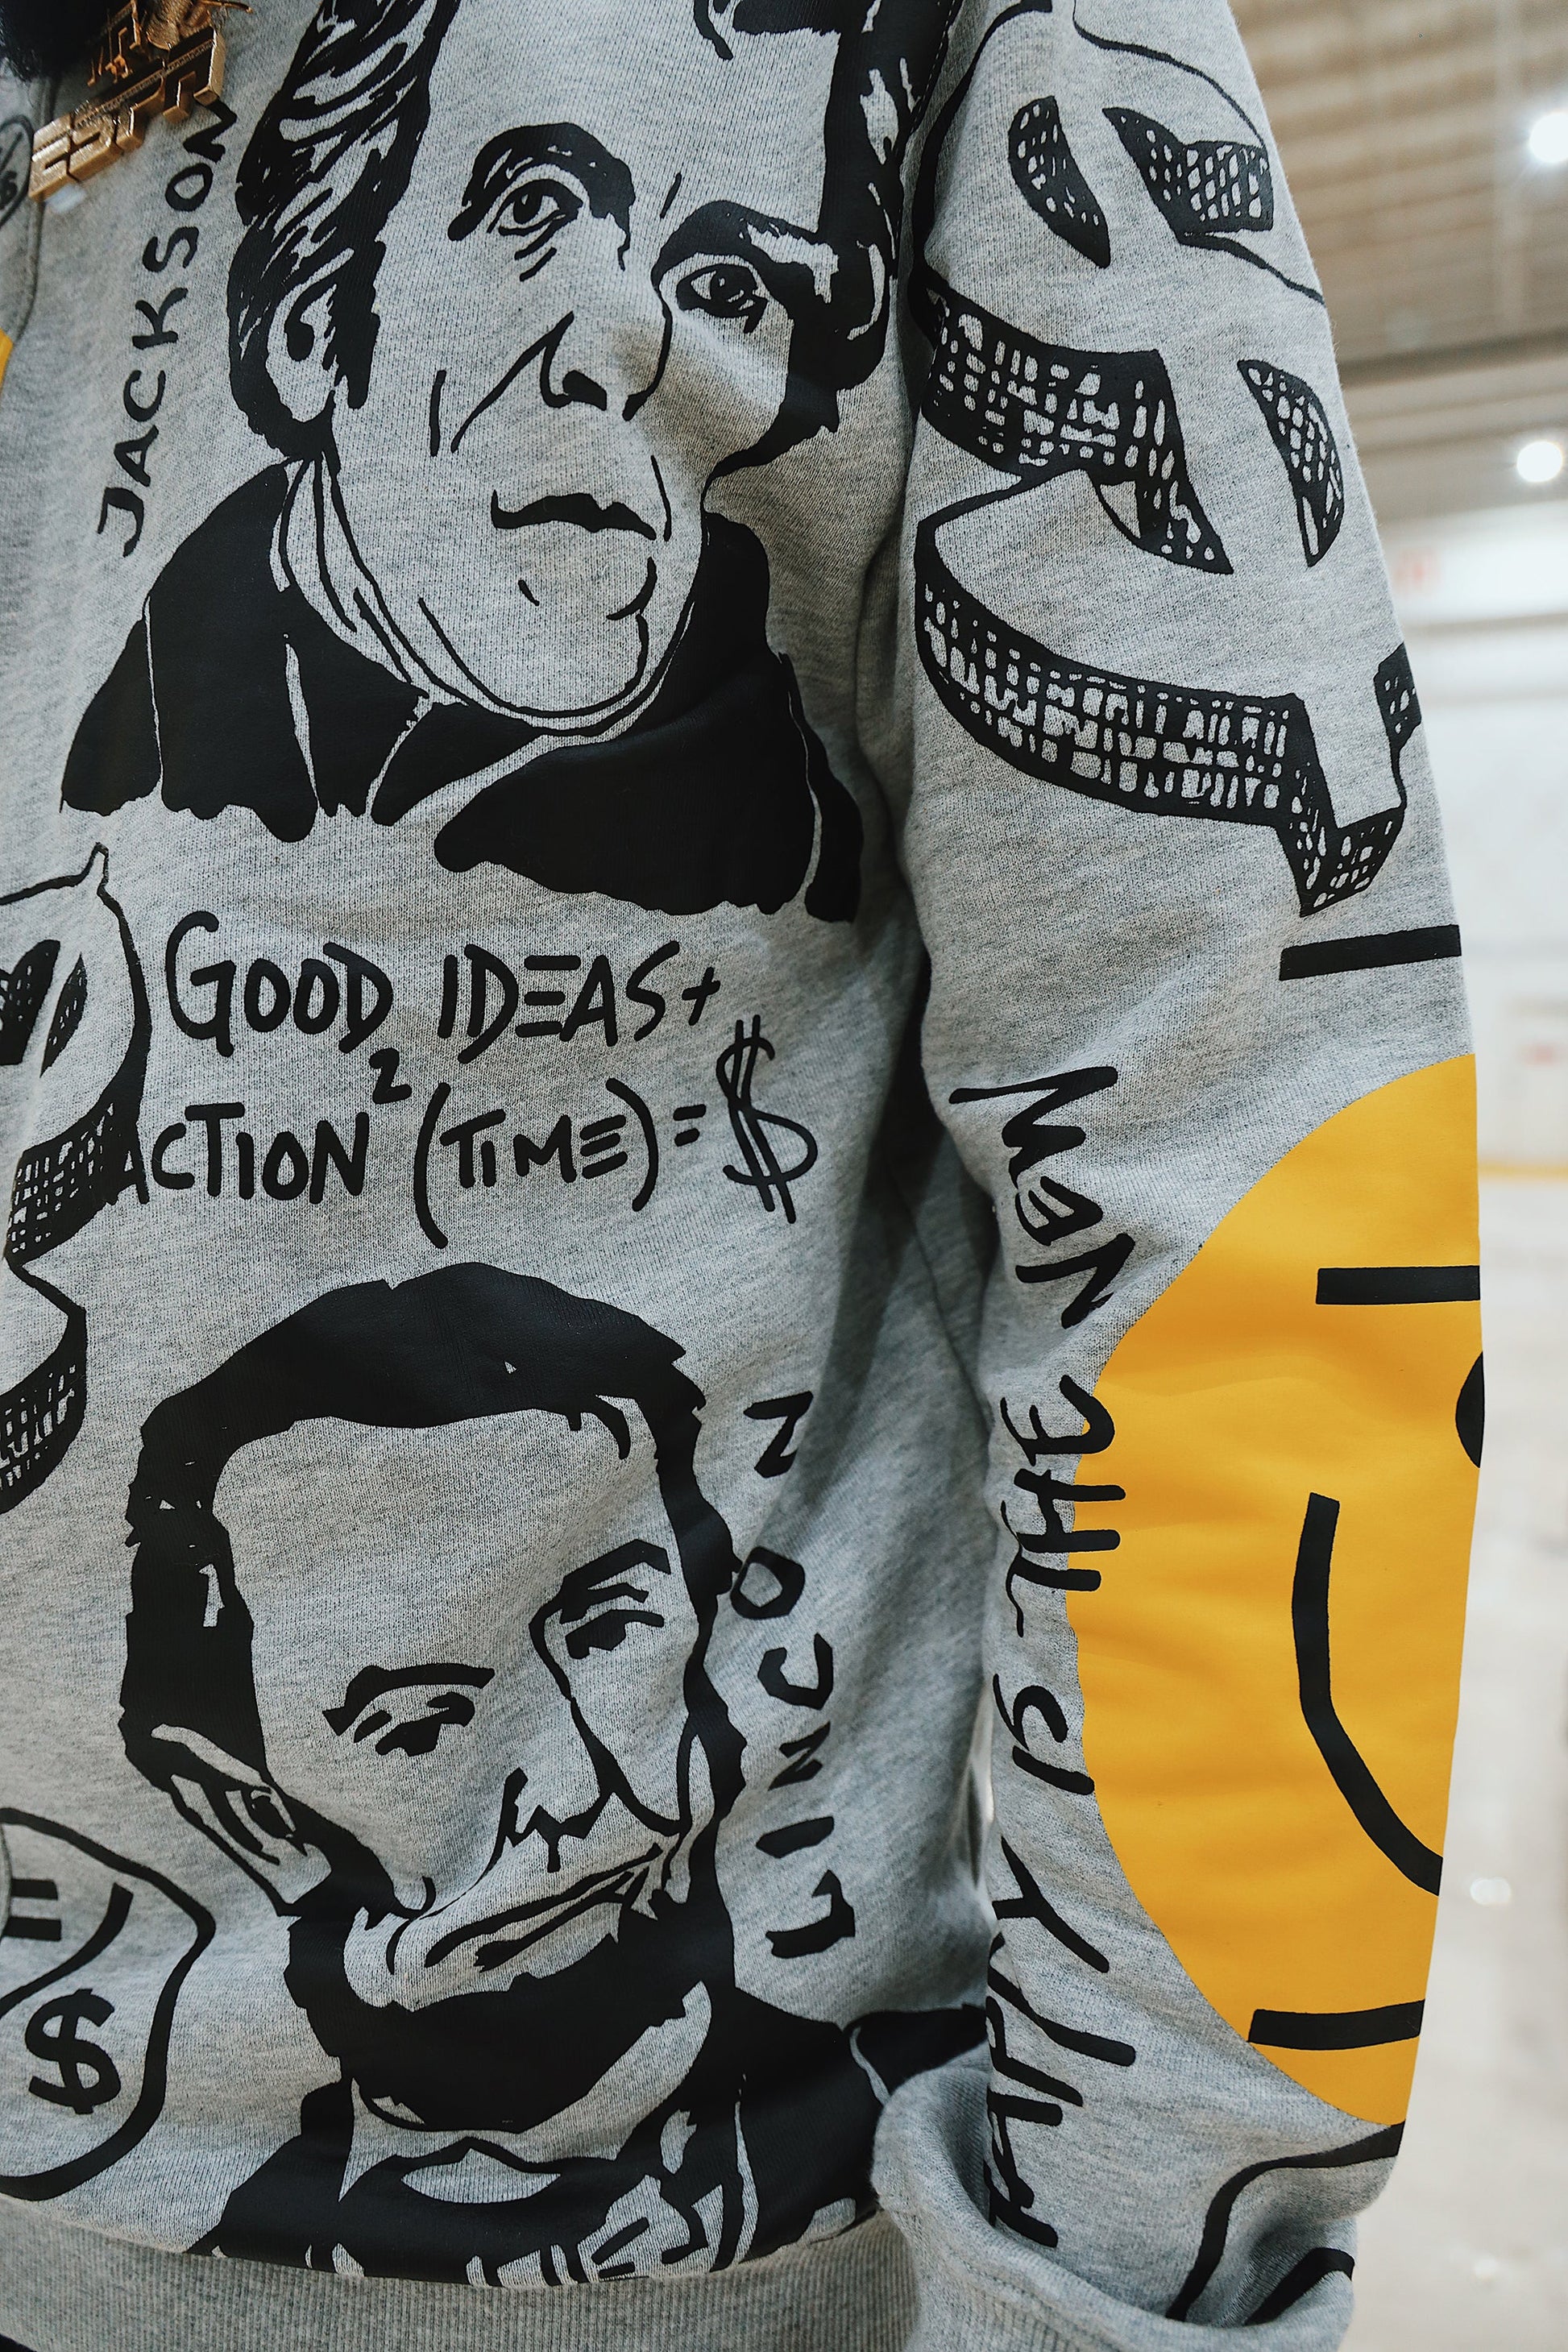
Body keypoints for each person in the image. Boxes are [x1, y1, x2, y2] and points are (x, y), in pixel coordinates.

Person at [0, 2, 1480, 2350]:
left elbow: (1250, 1201)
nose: (627, 352)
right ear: (311, 323)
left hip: (643, 2245)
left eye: (729, 282)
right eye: (534, 226)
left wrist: (1129, 2283)